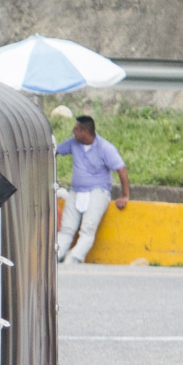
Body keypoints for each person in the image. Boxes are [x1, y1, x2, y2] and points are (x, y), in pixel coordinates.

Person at [55, 114, 129, 265]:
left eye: (76, 129)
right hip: (76, 190)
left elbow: (121, 169)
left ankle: (73, 259)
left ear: (85, 132)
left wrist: (125, 196)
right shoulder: (73, 143)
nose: (73, 131)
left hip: (98, 191)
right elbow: (54, 151)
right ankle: (56, 256)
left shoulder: (105, 148)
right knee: (67, 228)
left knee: (87, 229)